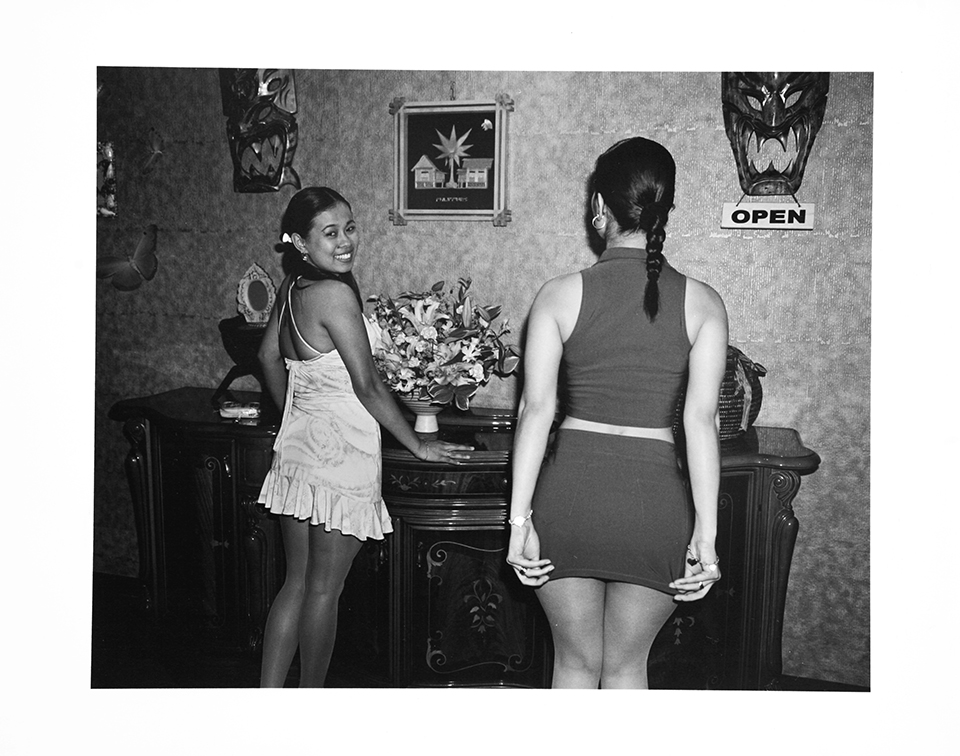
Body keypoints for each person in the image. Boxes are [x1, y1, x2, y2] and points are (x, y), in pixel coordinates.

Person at [505, 138, 728, 689]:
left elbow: (535, 412)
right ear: (664, 209)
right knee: (628, 667)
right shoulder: (704, 302)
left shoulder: (557, 295)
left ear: (598, 206)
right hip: (653, 507)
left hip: (570, 498)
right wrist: (706, 535)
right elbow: (701, 423)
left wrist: (519, 523)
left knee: (574, 664)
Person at [257, 186, 472, 687]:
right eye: (330, 233)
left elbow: (267, 357)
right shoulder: (332, 294)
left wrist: (295, 411)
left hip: (298, 448)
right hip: (342, 454)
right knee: (323, 591)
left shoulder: (293, 288)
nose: (345, 241)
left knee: (297, 584)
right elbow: (368, 384)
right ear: (300, 243)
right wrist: (418, 444)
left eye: (350, 228)